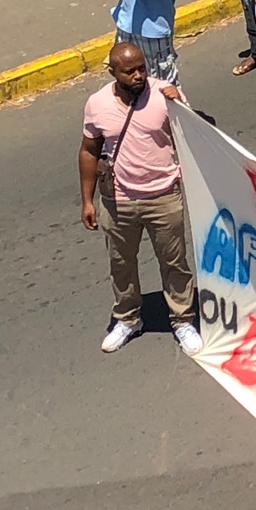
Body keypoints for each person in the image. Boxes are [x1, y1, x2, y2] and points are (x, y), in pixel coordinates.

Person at [78, 42, 201, 355]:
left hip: (164, 195)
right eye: (129, 71)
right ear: (113, 72)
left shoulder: (164, 94)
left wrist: (181, 106)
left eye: (141, 68)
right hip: (119, 200)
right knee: (121, 264)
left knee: (174, 263)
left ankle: (183, 319)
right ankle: (128, 318)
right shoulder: (97, 103)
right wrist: (88, 201)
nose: (138, 76)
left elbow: (193, 136)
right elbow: (89, 150)